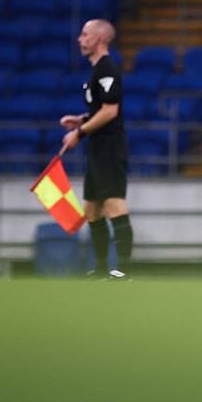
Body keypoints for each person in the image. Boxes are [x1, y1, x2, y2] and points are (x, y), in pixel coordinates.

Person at [59, 19, 133, 279]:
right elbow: (101, 109)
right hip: (98, 146)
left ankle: (124, 271)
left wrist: (79, 132)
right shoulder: (96, 72)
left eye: (85, 34)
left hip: (110, 146)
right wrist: (82, 119)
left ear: (100, 38)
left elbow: (111, 111)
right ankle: (101, 270)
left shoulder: (107, 69)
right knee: (91, 208)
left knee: (113, 203)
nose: (80, 39)